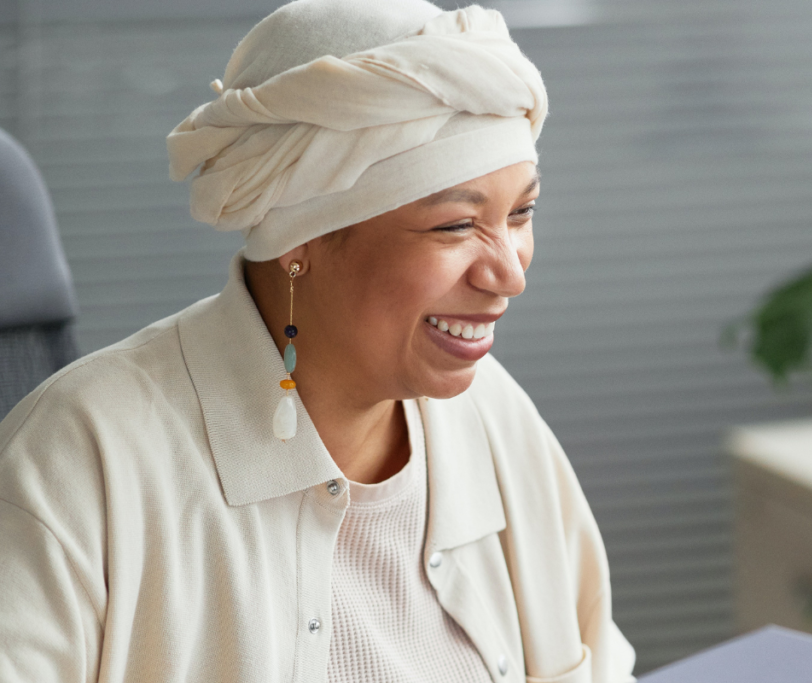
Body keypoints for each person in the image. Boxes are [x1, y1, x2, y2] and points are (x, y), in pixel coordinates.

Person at [0, 1, 637, 682]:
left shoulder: (496, 421)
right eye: (455, 226)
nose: (509, 272)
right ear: (299, 238)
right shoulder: (82, 459)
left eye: (521, 213)